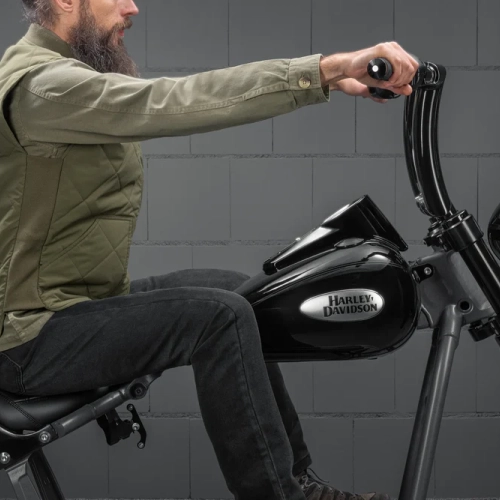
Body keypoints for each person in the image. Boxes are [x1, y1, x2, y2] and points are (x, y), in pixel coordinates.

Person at [0, 1, 419, 499]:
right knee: (218, 317)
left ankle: (299, 481)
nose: (133, 7)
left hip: (74, 308)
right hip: (31, 338)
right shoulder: (44, 86)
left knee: (236, 293)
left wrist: (330, 79)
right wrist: (325, 71)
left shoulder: (60, 80)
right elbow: (174, 100)